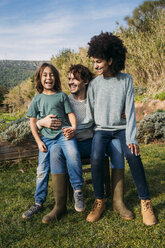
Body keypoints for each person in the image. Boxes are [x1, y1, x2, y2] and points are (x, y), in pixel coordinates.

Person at [38, 64, 133, 224]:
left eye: (75, 79)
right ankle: (59, 206)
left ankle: (118, 202)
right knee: (55, 150)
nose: (71, 82)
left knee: (116, 145)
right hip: (74, 145)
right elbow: (51, 122)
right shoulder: (64, 100)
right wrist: (41, 122)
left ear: (86, 81)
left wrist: (121, 112)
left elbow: (111, 110)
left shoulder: (95, 97)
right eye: (69, 79)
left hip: (96, 142)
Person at [84, 32, 156, 226]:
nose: (95, 66)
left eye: (98, 62)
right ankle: (99, 201)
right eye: (93, 62)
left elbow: (130, 112)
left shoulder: (126, 80)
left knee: (133, 154)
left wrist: (132, 137)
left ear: (110, 60)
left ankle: (145, 202)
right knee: (97, 156)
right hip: (101, 130)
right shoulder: (93, 85)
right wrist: (76, 129)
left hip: (122, 129)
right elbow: (89, 115)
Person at [22, 63, 85, 221]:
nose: (48, 77)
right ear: (40, 78)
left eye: (51, 75)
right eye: (45, 75)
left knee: (73, 153)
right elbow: (32, 122)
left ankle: (77, 190)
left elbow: (70, 114)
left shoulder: (61, 96)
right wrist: (38, 141)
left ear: (55, 78)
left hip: (64, 135)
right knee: (41, 170)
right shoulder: (37, 99)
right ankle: (38, 202)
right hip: (46, 139)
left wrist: (74, 127)